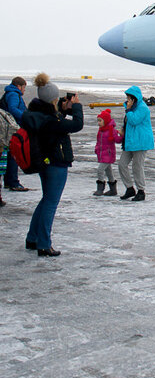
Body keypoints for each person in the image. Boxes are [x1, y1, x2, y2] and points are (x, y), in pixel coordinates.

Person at [21, 76, 83, 257]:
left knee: (46, 200)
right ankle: (44, 244)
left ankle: (32, 238)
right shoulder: (51, 120)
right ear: (53, 99)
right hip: (56, 163)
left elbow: (54, 124)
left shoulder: (38, 114)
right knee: (50, 203)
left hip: (45, 162)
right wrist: (77, 107)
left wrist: (62, 110)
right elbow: (76, 125)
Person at [118, 85, 155, 201]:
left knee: (137, 166)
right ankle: (129, 188)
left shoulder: (143, 108)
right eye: (127, 98)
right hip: (130, 141)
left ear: (135, 98)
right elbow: (128, 122)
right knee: (122, 164)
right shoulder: (130, 108)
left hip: (140, 141)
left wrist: (128, 110)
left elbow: (134, 120)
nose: (127, 100)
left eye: (129, 98)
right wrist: (123, 129)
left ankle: (141, 190)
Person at [3, 76, 29, 191]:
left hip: (9, 127)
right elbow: (13, 109)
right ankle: (13, 182)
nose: (24, 90)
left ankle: (9, 181)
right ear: (19, 86)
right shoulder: (13, 94)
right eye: (24, 88)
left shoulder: (11, 93)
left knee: (10, 154)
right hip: (12, 128)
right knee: (13, 154)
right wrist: (25, 116)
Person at [93, 108, 120, 196]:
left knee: (100, 170)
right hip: (102, 154)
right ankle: (113, 189)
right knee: (109, 172)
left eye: (100, 120)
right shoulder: (101, 130)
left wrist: (122, 135)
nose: (98, 123)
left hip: (108, 154)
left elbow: (117, 140)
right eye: (98, 120)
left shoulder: (111, 130)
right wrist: (97, 149)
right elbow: (98, 141)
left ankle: (100, 188)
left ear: (106, 121)